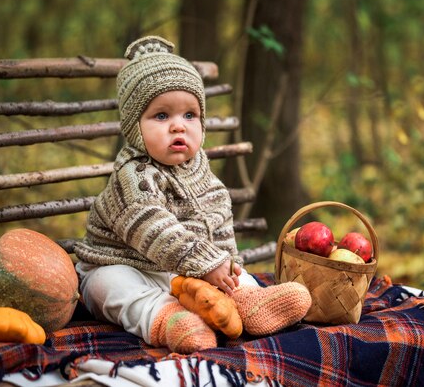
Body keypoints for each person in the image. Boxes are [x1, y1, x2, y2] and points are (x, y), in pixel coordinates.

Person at [74, 36, 311, 354]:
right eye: (161, 116)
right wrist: (207, 263)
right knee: (112, 286)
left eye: (190, 115)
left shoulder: (205, 176)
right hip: (123, 265)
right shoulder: (133, 177)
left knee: (235, 277)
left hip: (183, 272)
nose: (178, 127)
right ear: (134, 127)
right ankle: (166, 319)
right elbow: (155, 229)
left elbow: (221, 236)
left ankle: (248, 301)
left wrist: (229, 272)